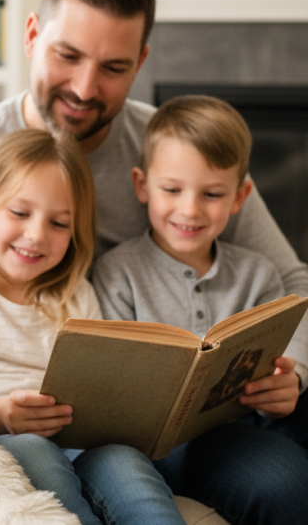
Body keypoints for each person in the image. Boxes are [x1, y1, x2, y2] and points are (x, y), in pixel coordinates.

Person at [0, 0, 308, 392]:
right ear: (31, 35)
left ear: (140, 63)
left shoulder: (175, 151)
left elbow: (291, 281)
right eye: (68, 55)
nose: (84, 88)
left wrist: (295, 371)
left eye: (113, 68)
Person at [90, 95, 308, 524]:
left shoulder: (259, 274)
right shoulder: (118, 273)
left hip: (244, 423)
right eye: (171, 190)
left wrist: (288, 380)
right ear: (141, 185)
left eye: (211, 194)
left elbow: (276, 359)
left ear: (240, 196)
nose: (189, 209)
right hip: (163, 447)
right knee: (288, 484)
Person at [0, 128, 187, 525]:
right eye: (20, 212)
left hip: (80, 442)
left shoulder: (74, 295)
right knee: (35, 454)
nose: (36, 235)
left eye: (59, 223)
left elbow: (103, 385)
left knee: (130, 469)